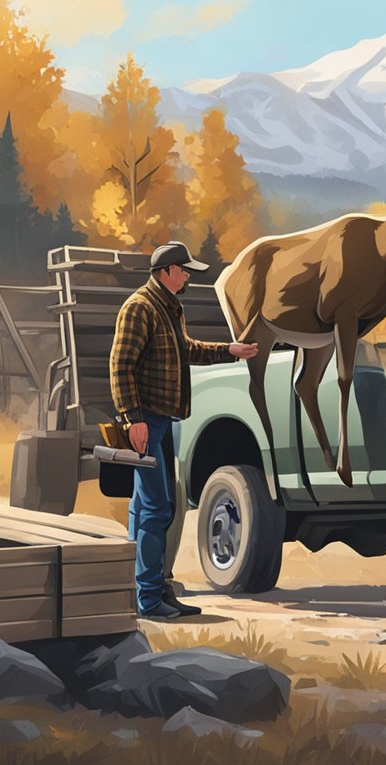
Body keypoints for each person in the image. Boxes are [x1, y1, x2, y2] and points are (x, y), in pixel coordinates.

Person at [110, 241, 259, 619]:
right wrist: (132, 419)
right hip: (148, 419)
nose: (188, 275)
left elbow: (185, 350)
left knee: (146, 506)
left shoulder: (168, 309)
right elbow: (121, 365)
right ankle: (147, 598)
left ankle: (150, 589)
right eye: (183, 269)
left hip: (162, 420)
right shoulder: (140, 308)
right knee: (157, 508)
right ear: (165, 272)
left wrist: (229, 350)